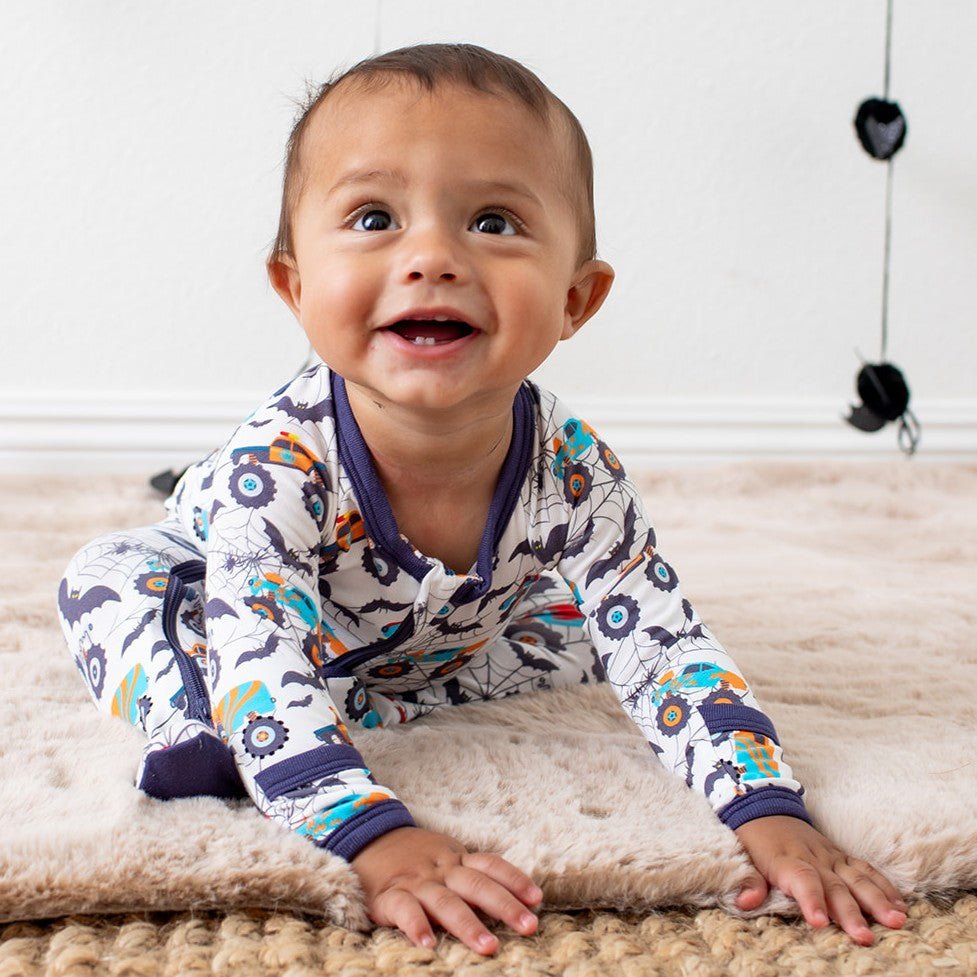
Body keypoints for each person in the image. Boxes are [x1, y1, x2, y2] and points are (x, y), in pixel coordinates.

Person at [57, 42, 908, 956]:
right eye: (374, 217)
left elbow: (664, 643)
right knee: (109, 580)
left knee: (596, 632)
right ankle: (197, 717)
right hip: (231, 599)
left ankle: (364, 694)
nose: (432, 256)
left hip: (427, 639)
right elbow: (261, 646)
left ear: (576, 298)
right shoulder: (278, 464)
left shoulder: (570, 466)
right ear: (295, 287)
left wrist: (765, 805)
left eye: (493, 221)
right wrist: (368, 832)